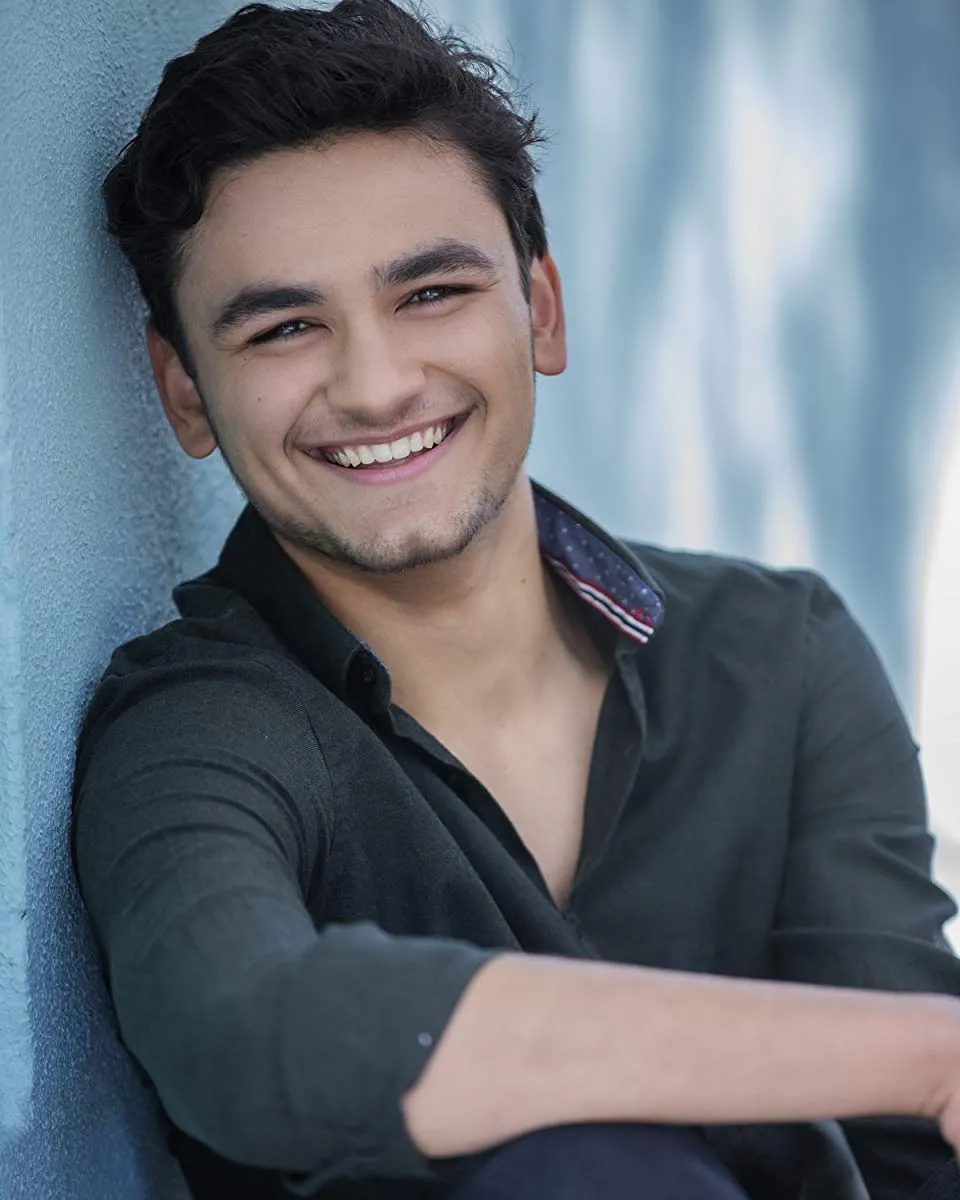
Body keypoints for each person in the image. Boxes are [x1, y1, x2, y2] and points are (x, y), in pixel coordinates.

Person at [71, 2, 960, 1198]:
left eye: (431, 293)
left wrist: (916, 1069)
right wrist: (920, 1055)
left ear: (540, 311)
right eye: (285, 327)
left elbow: (919, 1160)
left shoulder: (777, 656)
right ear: (184, 392)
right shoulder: (194, 731)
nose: (376, 385)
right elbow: (248, 1030)